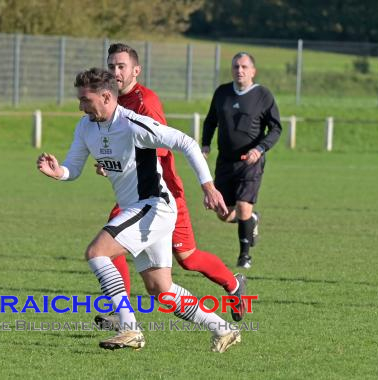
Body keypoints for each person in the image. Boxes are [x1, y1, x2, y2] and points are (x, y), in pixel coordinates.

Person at [37, 68, 241, 353]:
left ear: (107, 97)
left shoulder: (133, 124)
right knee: (161, 289)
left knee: (97, 253)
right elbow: (73, 168)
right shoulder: (85, 127)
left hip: (154, 206)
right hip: (141, 210)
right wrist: (58, 172)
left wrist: (208, 187)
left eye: (85, 99)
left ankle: (129, 328)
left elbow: (186, 143)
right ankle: (223, 328)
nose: (80, 105)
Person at [94, 43, 247, 329]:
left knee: (187, 258)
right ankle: (122, 313)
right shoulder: (110, 100)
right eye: (111, 65)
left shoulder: (145, 102)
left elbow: (161, 147)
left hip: (162, 191)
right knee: (114, 239)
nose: (115, 71)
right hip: (138, 192)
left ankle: (233, 284)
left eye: (121, 66)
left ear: (135, 70)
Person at [201, 52, 282, 269]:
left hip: (250, 161)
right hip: (225, 162)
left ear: (253, 71)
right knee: (224, 214)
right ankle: (250, 221)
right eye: (236, 66)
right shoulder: (222, 93)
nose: (240, 70)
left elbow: (276, 129)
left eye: (244, 67)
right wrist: (205, 144)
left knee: (243, 206)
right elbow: (210, 121)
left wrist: (260, 148)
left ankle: (244, 256)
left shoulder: (263, 95)